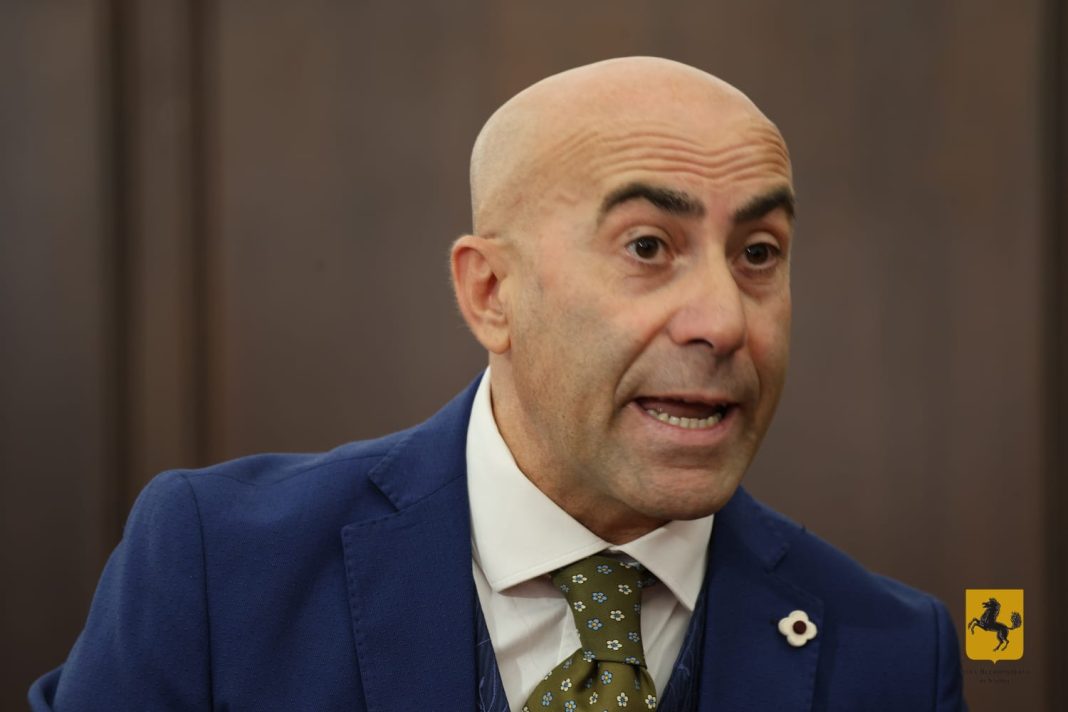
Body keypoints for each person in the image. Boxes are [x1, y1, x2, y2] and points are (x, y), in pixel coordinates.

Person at [30, 57, 965, 711]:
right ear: (490, 293)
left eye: (759, 253)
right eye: (648, 246)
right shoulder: (217, 570)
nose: (723, 322)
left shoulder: (895, 657)